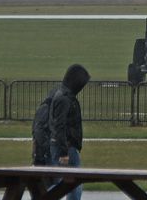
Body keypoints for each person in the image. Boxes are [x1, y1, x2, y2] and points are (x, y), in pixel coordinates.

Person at [49, 63, 90, 200]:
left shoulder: (63, 95)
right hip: (67, 147)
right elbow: (59, 126)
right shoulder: (65, 98)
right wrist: (64, 152)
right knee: (73, 183)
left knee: (65, 183)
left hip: (66, 146)